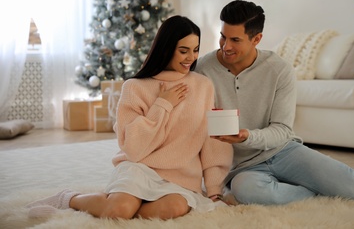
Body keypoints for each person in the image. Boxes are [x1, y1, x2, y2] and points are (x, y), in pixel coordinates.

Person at [26, 15, 233, 220]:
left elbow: (211, 141)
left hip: (181, 178)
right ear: (166, 48)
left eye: (195, 50)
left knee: (175, 208)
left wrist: (214, 189)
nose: (191, 58)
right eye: (183, 51)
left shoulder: (202, 86)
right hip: (139, 168)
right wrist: (163, 104)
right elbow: (133, 150)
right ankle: (69, 199)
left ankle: (120, 208)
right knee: (119, 210)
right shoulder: (134, 87)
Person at [195, 0, 354, 206]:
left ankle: (294, 184)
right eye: (223, 37)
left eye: (235, 39)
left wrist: (247, 136)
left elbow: (282, 130)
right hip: (242, 166)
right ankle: (313, 194)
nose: (226, 46)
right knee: (247, 190)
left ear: (257, 39)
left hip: (282, 151)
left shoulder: (279, 70)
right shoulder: (203, 69)